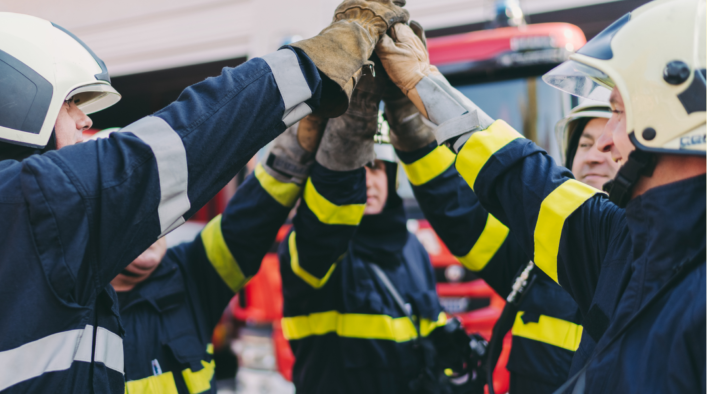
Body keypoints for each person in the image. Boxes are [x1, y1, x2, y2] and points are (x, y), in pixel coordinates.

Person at [0, 3, 409, 392]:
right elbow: (179, 141)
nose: (84, 123)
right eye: (72, 103)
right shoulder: (32, 208)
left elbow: (252, 219)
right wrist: (317, 61)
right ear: (3, 97)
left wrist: (294, 147)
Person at [376, 0, 706, 391]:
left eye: (618, 113)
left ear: (676, 120)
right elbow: (523, 178)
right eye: (585, 139)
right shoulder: (630, 246)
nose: (604, 142)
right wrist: (424, 90)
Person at [384, 91, 615, 393]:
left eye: (607, 145)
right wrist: (411, 129)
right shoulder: (536, 254)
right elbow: (461, 215)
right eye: (585, 143)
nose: (594, 154)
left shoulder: (651, 262)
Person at [278, 64, 484, 394]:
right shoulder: (311, 248)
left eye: (376, 168)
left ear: (391, 176)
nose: (366, 180)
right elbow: (319, 233)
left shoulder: (411, 247)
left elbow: (426, 323)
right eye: (355, 169)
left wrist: (450, 351)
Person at [106, 119, 325, 394]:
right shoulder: (70, 309)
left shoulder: (188, 272)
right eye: (131, 204)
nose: (149, 217)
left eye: (156, 203)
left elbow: (251, 218)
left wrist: (296, 149)